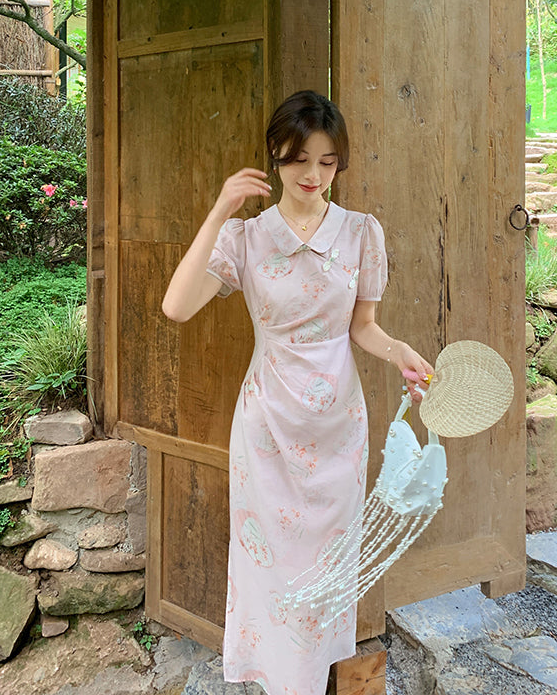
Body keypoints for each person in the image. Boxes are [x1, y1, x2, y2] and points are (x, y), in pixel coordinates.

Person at [162, 90, 433, 695]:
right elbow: (176, 307)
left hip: (338, 426)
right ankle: (278, 681)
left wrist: (402, 355)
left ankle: (313, 680)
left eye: (328, 161)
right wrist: (220, 209)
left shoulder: (362, 232)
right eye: (298, 159)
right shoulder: (244, 238)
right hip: (267, 427)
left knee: (328, 568)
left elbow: (362, 327)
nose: (313, 175)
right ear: (275, 157)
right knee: (269, 566)